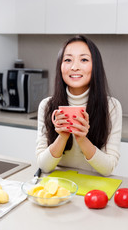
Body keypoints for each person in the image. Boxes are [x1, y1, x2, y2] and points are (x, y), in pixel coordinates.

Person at [36, 35, 122, 176]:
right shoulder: (47, 106)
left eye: (84, 60)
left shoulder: (111, 107)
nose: (75, 67)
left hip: (94, 187)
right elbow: (44, 167)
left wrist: (82, 138)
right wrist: (62, 137)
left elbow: (108, 169)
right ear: (60, 66)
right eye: (68, 60)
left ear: (95, 66)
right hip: (59, 187)